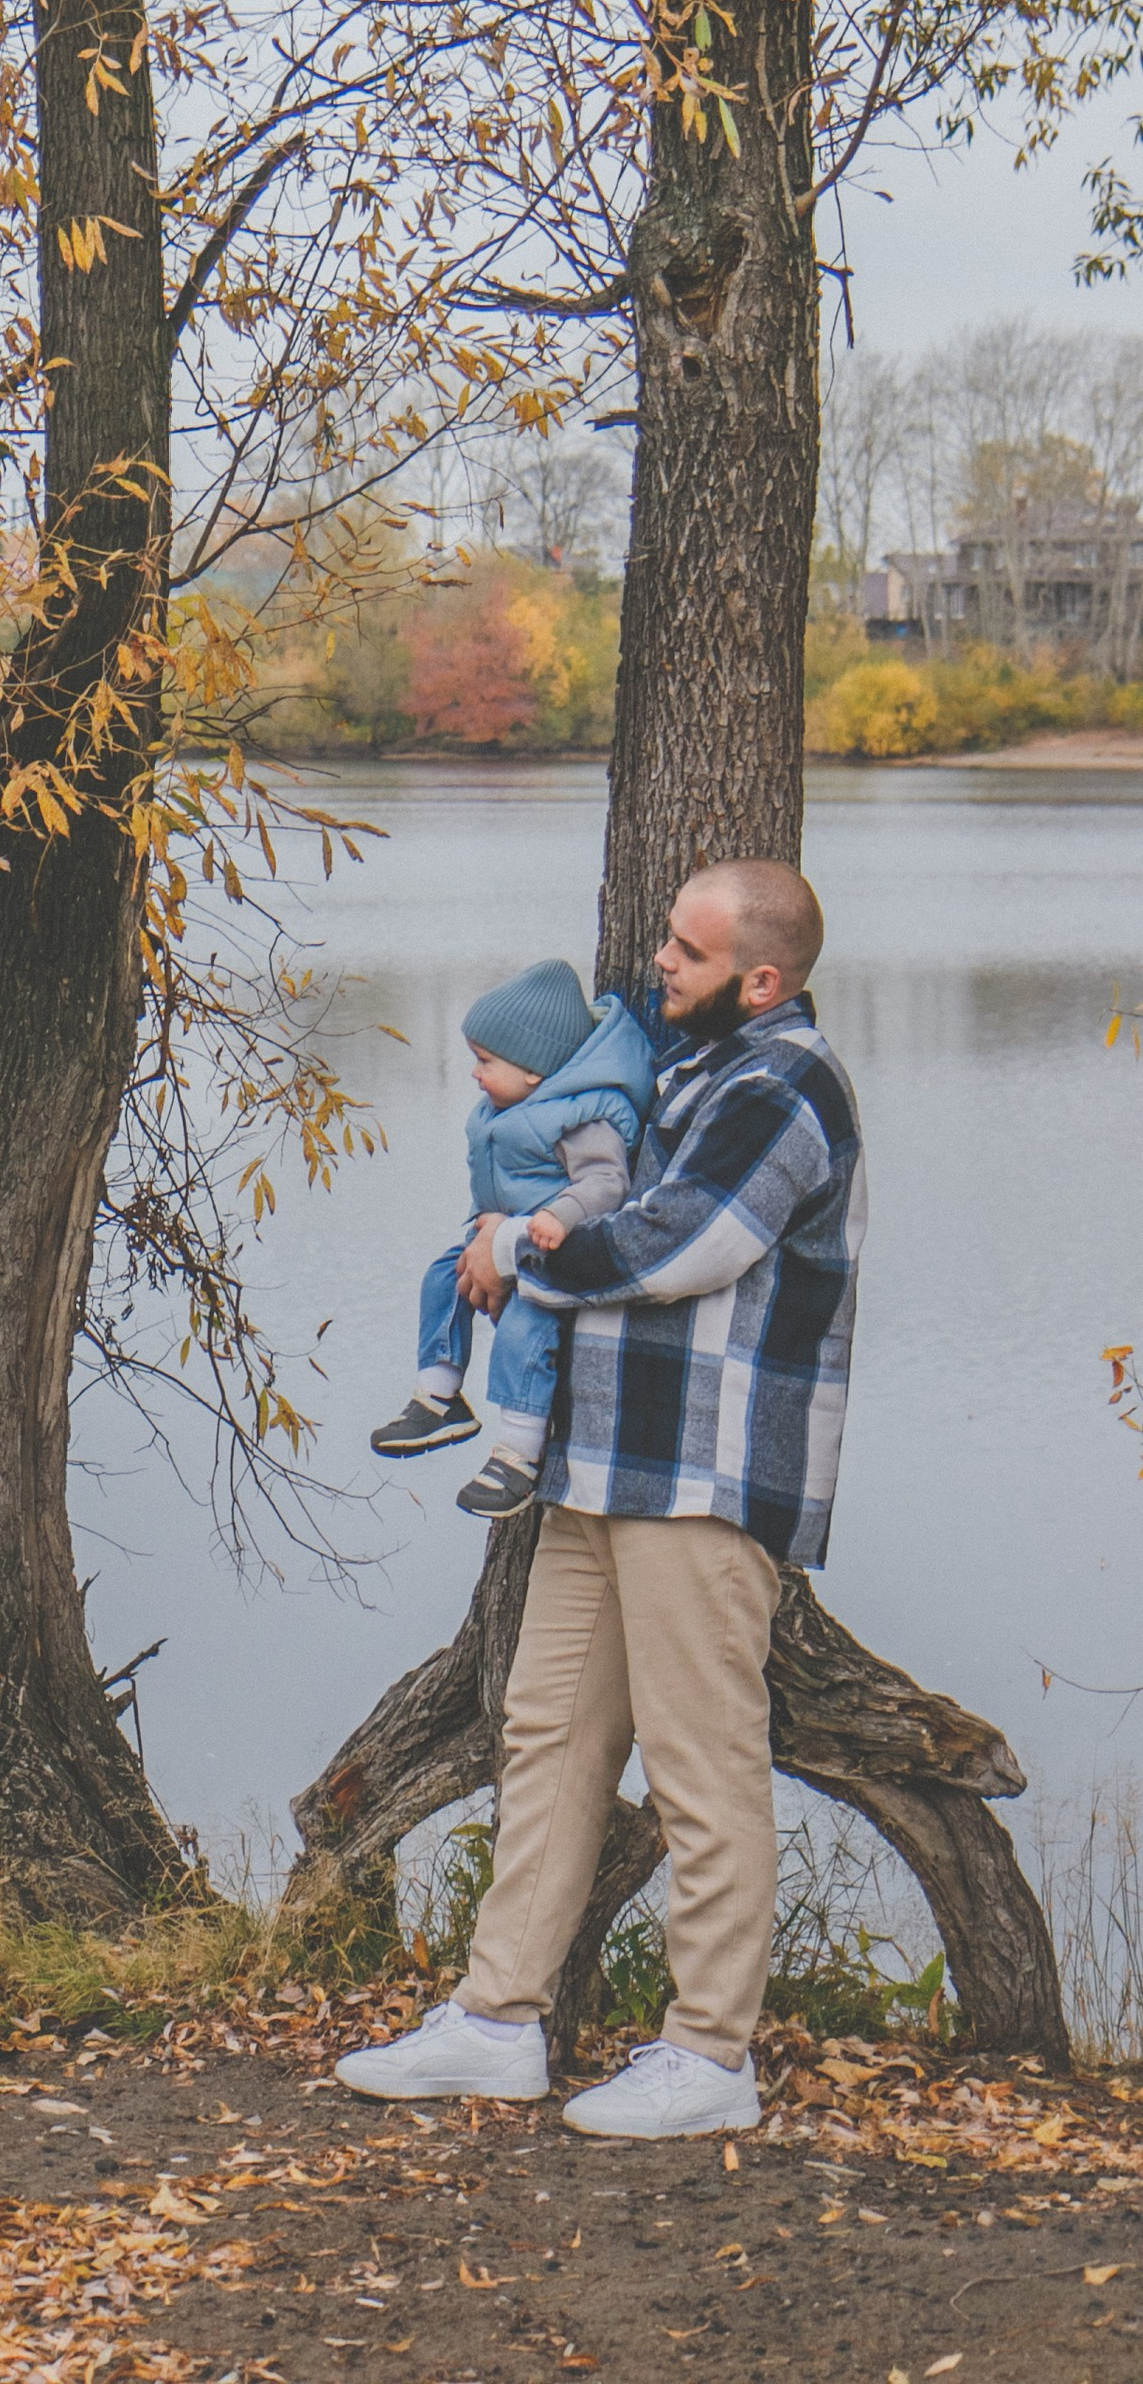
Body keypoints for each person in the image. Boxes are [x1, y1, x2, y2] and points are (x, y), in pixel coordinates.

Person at [337, 860, 863, 2142]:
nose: (656, 965)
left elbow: (676, 1246)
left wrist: (515, 1248)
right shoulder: (681, 1070)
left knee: (701, 1761)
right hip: (599, 1467)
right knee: (549, 1733)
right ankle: (498, 2022)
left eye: (685, 953)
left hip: (701, 1475)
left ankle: (708, 2054)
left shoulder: (784, 1087)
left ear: (761, 978)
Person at [368, 959, 654, 1521]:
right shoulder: (513, 1103)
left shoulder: (580, 1115)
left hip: (555, 1253)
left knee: (526, 1325)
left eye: (485, 1061)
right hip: (502, 1240)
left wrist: (558, 1217)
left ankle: (520, 1451)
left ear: (533, 1071)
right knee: (441, 1278)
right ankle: (439, 1392)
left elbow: (606, 1182)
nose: (474, 1074)